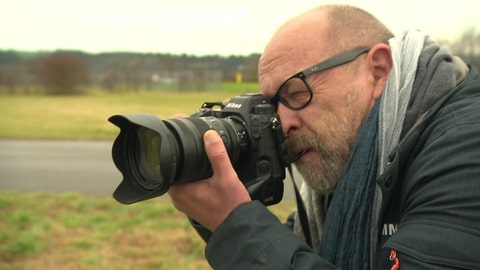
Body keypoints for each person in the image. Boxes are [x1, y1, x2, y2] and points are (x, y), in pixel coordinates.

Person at [168, 4, 480, 269]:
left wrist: (234, 224)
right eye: (272, 106)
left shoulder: (466, 150)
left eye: (296, 92)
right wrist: (219, 207)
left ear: (378, 71)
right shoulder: (356, 156)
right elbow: (302, 247)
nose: (284, 122)